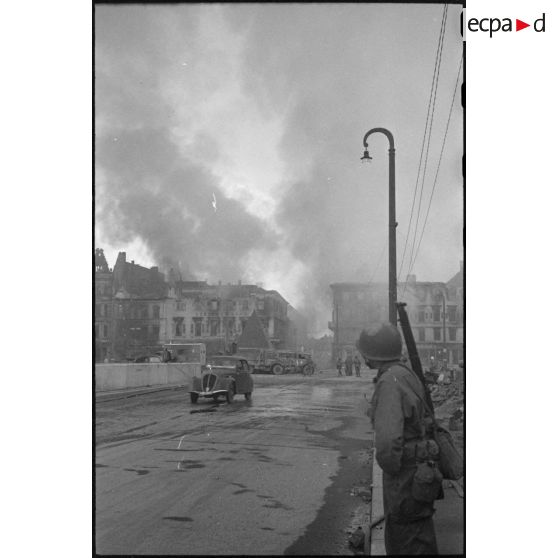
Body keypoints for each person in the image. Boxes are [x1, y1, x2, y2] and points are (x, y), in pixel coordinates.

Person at [357, 323, 440, 555]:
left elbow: (387, 445)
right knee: (420, 537)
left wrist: (393, 472)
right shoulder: (404, 373)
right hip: (421, 471)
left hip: (406, 477)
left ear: (372, 354)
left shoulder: (389, 382)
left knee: (405, 540)